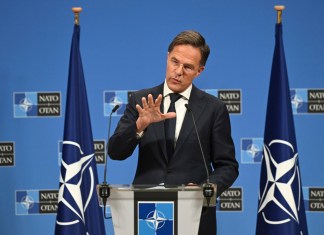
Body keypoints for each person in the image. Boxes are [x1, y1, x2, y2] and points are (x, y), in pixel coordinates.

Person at [108, 30, 239, 235]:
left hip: (193, 214)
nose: (178, 71)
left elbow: (228, 166)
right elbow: (116, 152)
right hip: (146, 214)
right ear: (167, 57)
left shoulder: (213, 109)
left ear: (200, 71)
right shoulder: (142, 100)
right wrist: (139, 126)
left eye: (187, 67)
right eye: (174, 62)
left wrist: (203, 190)